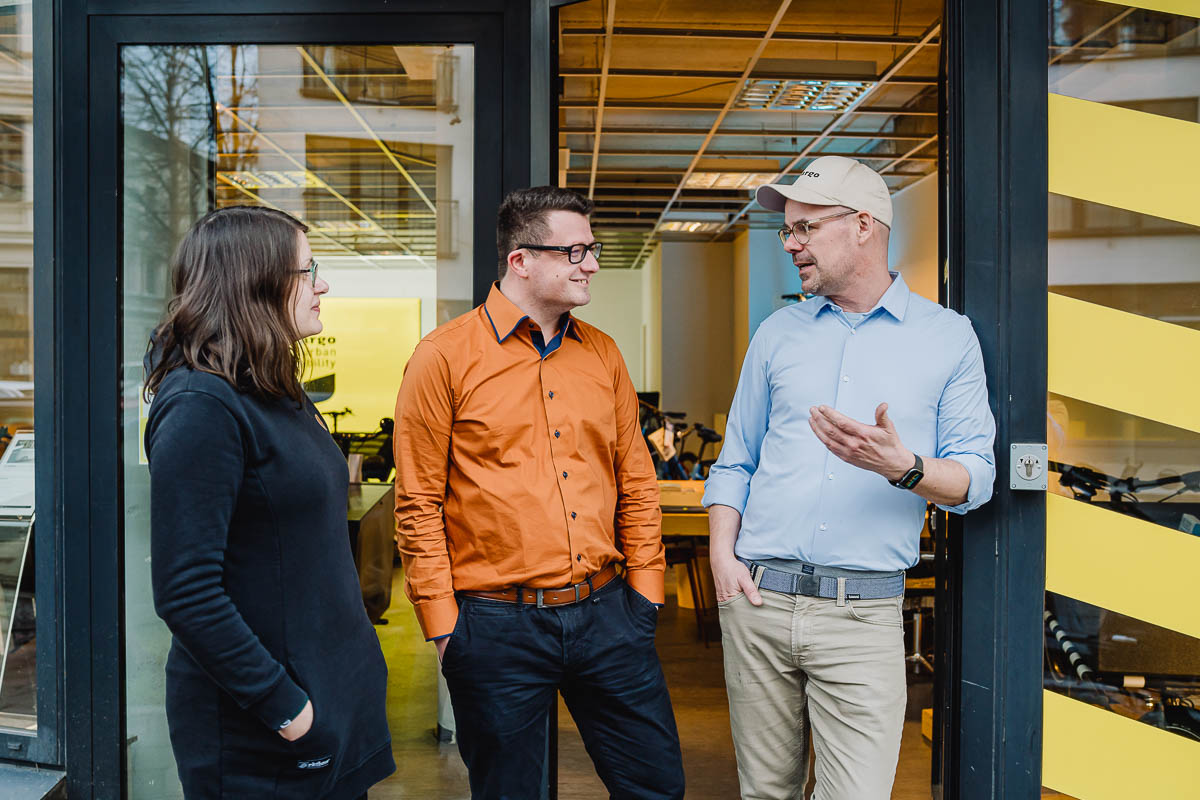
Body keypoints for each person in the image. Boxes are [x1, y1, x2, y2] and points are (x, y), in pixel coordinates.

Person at [704, 156, 996, 800]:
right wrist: (722, 557)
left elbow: (976, 479)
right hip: (759, 602)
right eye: (788, 231)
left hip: (861, 618)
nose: (792, 244)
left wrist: (904, 467)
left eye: (805, 227)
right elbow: (737, 460)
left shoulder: (948, 339)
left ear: (863, 225)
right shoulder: (777, 333)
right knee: (765, 794)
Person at [394, 186, 685, 799]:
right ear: (520, 260)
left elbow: (635, 479)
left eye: (592, 248)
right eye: (575, 251)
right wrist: (444, 626)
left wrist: (646, 594)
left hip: (609, 615)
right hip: (495, 626)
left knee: (656, 786)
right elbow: (417, 501)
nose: (592, 264)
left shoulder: (602, 353)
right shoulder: (442, 357)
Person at [144, 206, 395, 799]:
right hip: (266, 730)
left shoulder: (275, 388)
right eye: (309, 271)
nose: (323, 285)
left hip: (331, 704)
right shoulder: (200, 405)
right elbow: (186, 592)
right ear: (254, 282)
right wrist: (286, 709)